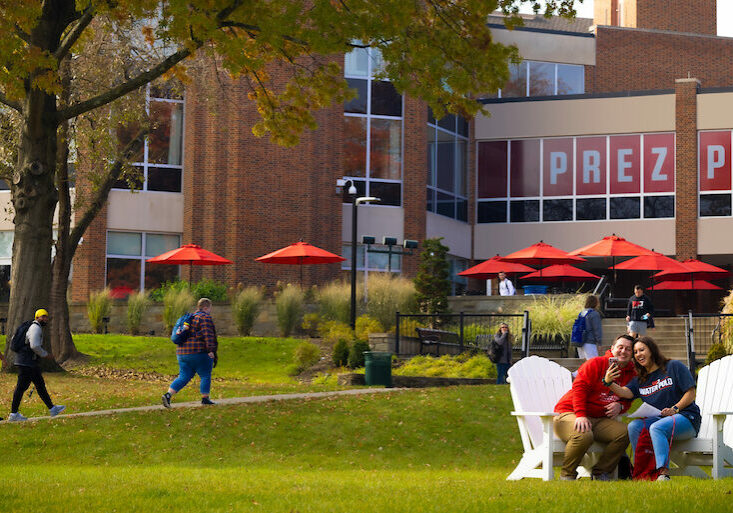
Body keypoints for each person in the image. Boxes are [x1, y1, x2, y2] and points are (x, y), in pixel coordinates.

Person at [604, 336, 700, 481]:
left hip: (686, 418)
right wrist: (608, 382)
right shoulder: (640, 379)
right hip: (660, 419)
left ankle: (662, 473)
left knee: (656, 428)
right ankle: (642, 471)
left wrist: (675, 408)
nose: (638, 354)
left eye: (642, 350)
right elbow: (626, 392)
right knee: (634, 426)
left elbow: (691, 392)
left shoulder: (673, 366)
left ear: (652, 350)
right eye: (635, 352)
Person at [553, 334, 636, 480]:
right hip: (569, 413)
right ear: (612, 349)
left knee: (626, 432)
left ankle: (600, 472)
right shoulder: (596, 363)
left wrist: (620, 405)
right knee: (583, 434)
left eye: (628, 349)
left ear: (632, 354)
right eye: (620, 347)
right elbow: (579, 388)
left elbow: (630, 395)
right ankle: (568, 475)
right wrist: (580, 415)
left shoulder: (631, 373)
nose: (623, 351)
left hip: (598, 419)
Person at [9, 309, 66, 421]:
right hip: (27, 362)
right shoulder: (35, 328)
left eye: (46, 317)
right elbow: (34, 345)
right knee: (22, 387)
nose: (45, 319)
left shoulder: (31, 326)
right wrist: (45, 354)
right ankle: (13, 414)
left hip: (26, 362)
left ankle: (52, 409)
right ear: (37, 317)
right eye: (42, 316)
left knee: (39, 385)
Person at [162, 298, 219, 408]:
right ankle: (205, 398)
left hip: (182, 353)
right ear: (206, 307)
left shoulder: (188, 318)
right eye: (210, 308)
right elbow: (208, 335)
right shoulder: (204, 317)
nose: (210, 311)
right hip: (199, 352)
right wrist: (211, 350)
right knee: (205, 374)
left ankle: (168, 395)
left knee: (183, 376)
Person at [577, 294, 602, 360]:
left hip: (579, 341)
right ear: (595, 303)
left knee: (584, 365)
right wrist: (599, 343)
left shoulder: (582, 312)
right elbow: (597, 329)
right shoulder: (594, 314)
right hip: (589, 342)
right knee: (593, 363)